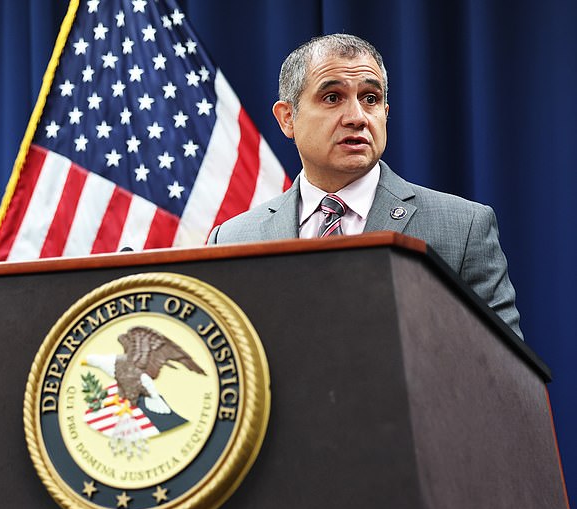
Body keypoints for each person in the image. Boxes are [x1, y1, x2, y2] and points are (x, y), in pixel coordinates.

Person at [207, 34, 522, 338]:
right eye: (333, 98)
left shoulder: (463, 228)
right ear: (287, 118)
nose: (357, 117)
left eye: (370, 99)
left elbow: (504, 374)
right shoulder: (232, 240)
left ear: (384, 114)